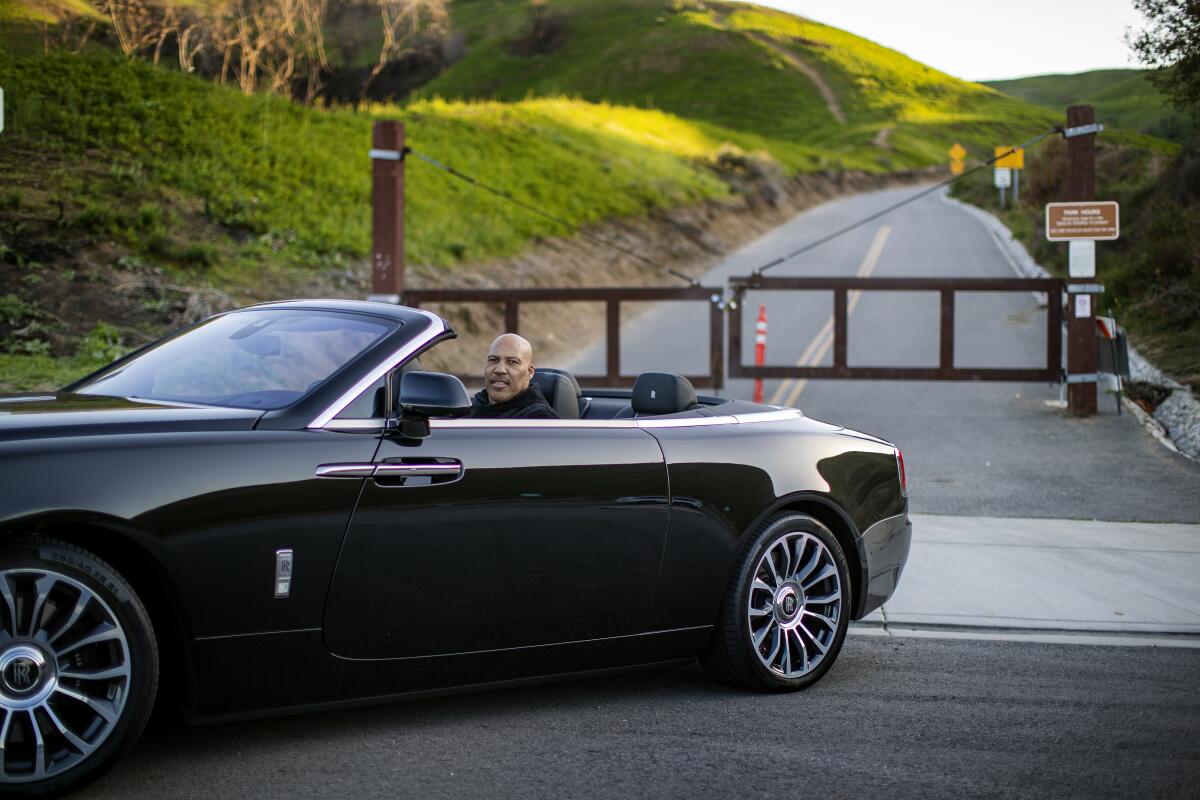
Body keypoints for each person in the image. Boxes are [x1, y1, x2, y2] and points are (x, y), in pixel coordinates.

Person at [468, 333, 559, 419]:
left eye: (512, 362)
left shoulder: (538, 419)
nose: (500, 370)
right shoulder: (473, 407)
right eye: (493, 360)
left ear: (530, 372)